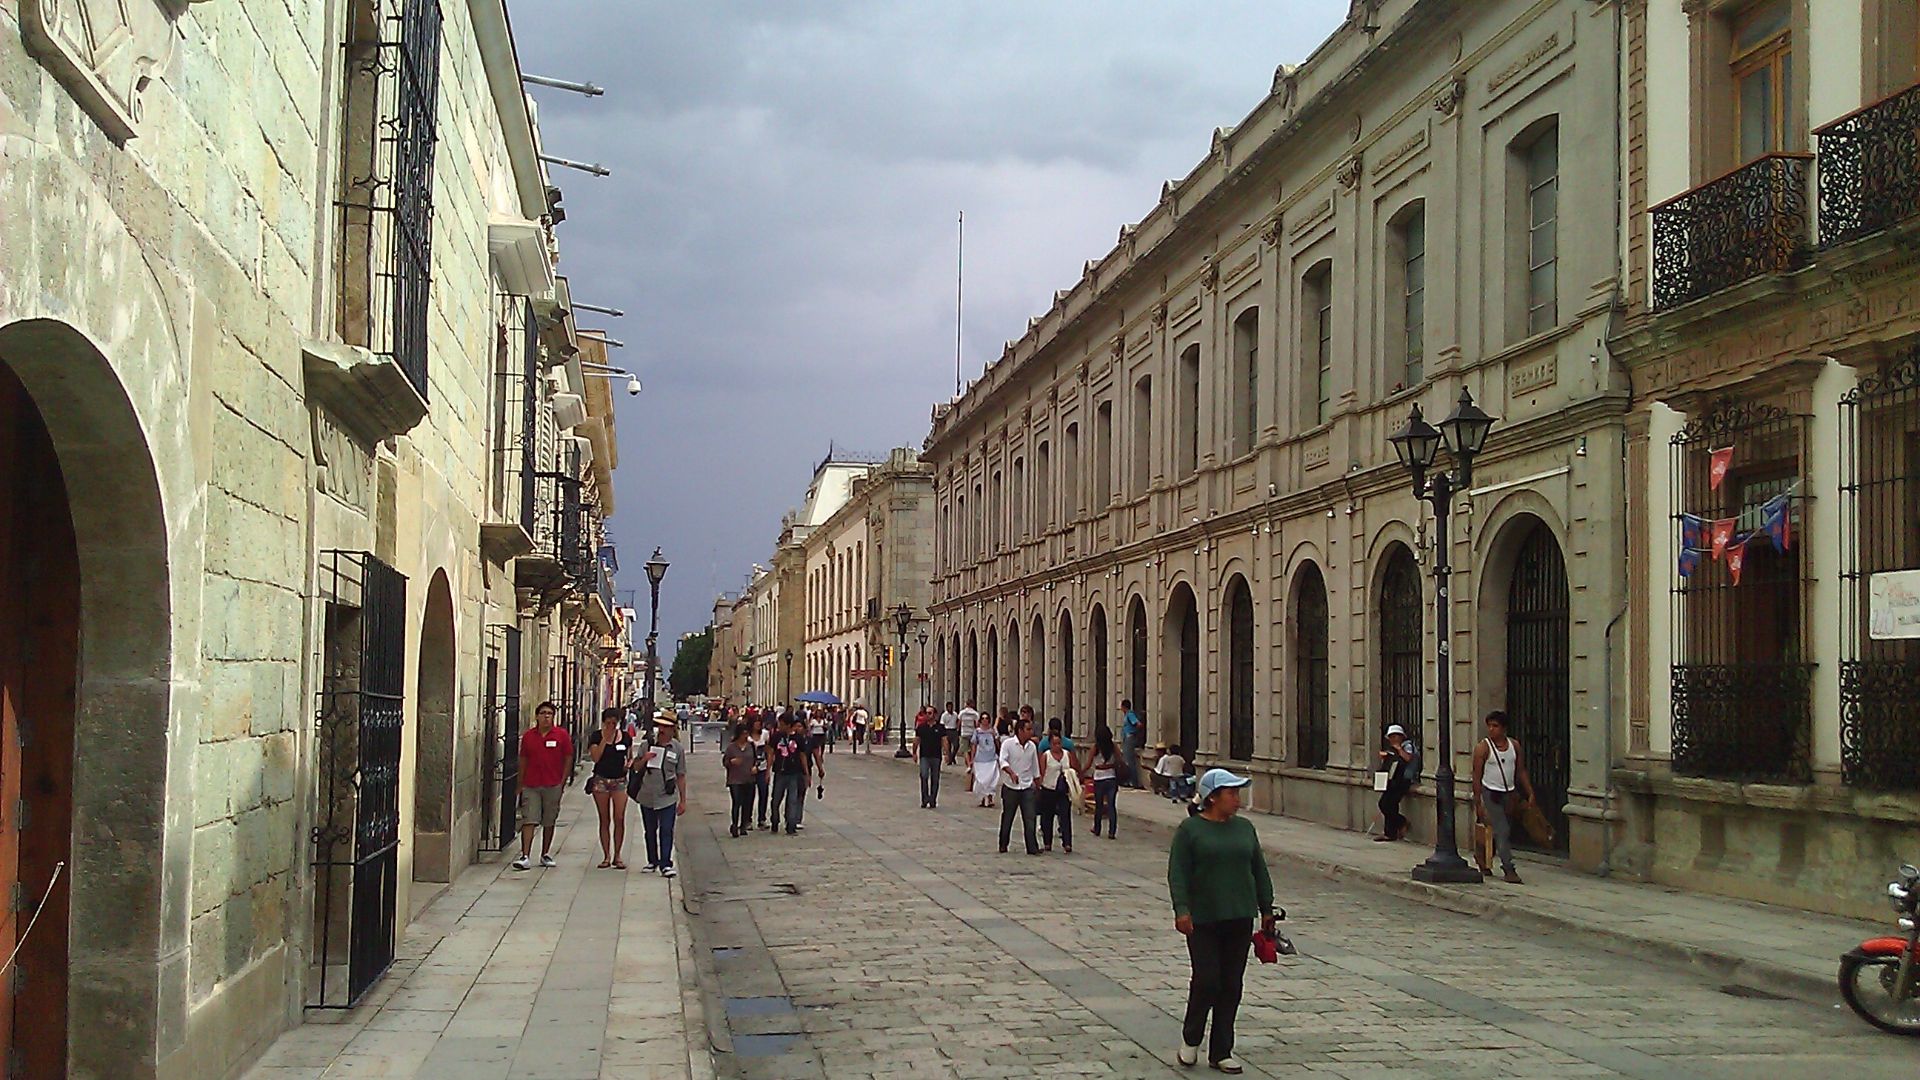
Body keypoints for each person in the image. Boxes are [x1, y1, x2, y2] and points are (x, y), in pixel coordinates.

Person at [1167, 768, 1276, 1075]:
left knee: (1231, 985)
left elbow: (1259, 868)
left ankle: (1221, 1050)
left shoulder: (1245, 829)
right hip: (1203, 918)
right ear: (1213, 797)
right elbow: (1178, 872)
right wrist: (1181, 909)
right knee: (1207, 979)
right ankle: (1191, 1039)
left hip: (1239, 915)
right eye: (1232, 793)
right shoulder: (1190, 830)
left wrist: (1266, 907)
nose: (1237, 800)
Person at [1471, 711, 1536, 884]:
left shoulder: (1514, 746)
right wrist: (1478, 801)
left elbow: (1520, 770)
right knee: (1502, 829)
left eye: (1496, 726)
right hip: (1490, 792)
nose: (1492, 730)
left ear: (1504, 728)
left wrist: (1529, 792)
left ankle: (1483, 856)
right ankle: (1509, 868)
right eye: (1489, 726)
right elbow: (1476, 776)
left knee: (1501, 829)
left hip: (1509, 792)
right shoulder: (1483, 748)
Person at [513, 702, 572, 871]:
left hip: (552, 784)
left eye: (550, 713)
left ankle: (545, 853)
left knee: (549, 820)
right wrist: (520, 784)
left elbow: (568, 757)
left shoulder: (561, 735)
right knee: (529, 819)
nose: (546, 716)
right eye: (543, 713)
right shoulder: (529, 737)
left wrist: (562, 781)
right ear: (537, 716)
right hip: (531, 784)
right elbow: (523, 759)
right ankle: (525, 855)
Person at [632, 710, 688, 876]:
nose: (662, 730)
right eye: (660, 726)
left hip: (667, 796)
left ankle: (665, 863)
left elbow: (681, 775)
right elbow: (635, 767)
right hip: (647, 794)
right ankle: (652, 861)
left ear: (672, 729)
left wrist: (683, 800)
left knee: (666, 829)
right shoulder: (646, 745)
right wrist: (645, 759)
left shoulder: (677, 749)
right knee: (650, 830)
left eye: (666, 727)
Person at [585, 707, 633, 869]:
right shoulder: (596, 737)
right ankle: (606, 855)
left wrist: (629, 764)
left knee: (619, 817)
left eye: (614, 722)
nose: (612, 725)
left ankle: (618, 855)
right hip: (601, 780)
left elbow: (629, 756)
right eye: (608, 722)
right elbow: (596, 757)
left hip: (619, 780)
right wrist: (605, 738)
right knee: (604, 818)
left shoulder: (625, 737)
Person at [769, 712, 821, 834]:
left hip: (794, 772)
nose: (779, 726)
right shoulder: (776, 736)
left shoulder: (798, 739)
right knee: (776, 799)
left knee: (792, 799)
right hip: (780, 771)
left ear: (788, 725)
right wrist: (768, 770)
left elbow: (803, 756)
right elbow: (771, 753)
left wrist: (806, 773)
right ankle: (775, 820)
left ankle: (790, 824)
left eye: (781, 724)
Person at [997, 717, 1041, 855]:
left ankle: (1031, 846)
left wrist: (1038, 785)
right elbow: (1002, 760)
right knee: (1008, 817)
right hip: (1011, 786)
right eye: (1028, 729)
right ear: (1020, 731)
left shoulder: (1032, 747)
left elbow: (1035, 768)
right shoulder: (1008, 744)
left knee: (1030, 817)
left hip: (1027, 786)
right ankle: (1003, 844)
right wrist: (1011, 773)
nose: (1031, 732)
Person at [1375, 723, 1421, 843]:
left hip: (1403, 780)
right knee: (1386, 804)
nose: (1393, 739)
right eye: (1391, 737)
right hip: (1392, 780)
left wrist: (1399, 748)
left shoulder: (1407, 746)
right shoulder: (1392, 749)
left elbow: (1408, 758)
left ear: (1401, 737)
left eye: (1396, 736)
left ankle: (1400, 823)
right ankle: (1390, 832)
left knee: (1387, 804)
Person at [1036, 730, 1075, 854]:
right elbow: (1041, 772)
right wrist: (1038, 787)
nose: (1057, 746)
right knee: (1047, 817)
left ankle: (1067, 842)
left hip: (1063, 790)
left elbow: (1073, 769)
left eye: (1059, 743)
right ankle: (1047, 842)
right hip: (1048, 788)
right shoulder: (1046, 756)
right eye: (1054, 743)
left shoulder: (1067, 755)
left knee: (1065, 816)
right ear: (1050, 744)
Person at [723, 723, 757, 838]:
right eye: (743, 734)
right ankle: (734, 825)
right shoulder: (731, 747)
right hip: (735, 779)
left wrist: (755, 767)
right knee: (737, 802)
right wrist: (731, 762)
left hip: (749, 778)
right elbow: (725, 762)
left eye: (747, 733)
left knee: (747, 803)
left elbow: (756, 759)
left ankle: (743, 825)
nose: (745, 736)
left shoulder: (751, 746)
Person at [1087, 726, 1121, 840]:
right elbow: (1120, 759)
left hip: (1099, 777)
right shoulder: (1113, 747)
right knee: (1111, 805)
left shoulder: (1095, 748)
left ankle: (1097, 828)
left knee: (1099, 805)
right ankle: (1112, 831)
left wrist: (1080, 773)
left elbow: (1088, 763)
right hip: (1111, 777)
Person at [915, 707, 945, 808]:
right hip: (924, 756)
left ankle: (933, 799)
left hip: (936, 756)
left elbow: (944, 740)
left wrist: (947, 753)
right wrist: (914, 752)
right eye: (926, 713)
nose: (927, 715)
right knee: (924, 776)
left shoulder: (940, 727)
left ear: (935, 715)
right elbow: (917, 740)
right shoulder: (921, 727)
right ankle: (924, 799)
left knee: (935, 778)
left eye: (930, 713)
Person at [970, 710, 999, 808]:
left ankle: (990, 797)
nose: (985, 720)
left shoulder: (992, 731)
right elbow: (974, 745)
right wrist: (972, 758)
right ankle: (983, 797)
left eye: (987, 718)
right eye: (983, 718)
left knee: (992, 779)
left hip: (991, 758)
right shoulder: (977, 732)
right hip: (980, 759)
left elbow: (997, 743)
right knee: (981, 779)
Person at [749, 715, 772, 829]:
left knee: (763, 793)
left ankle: (762, 819)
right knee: (749, 795)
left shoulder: (765, 734)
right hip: (749, 769)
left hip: (762, 768)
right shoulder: (747, 736)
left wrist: (768, 769)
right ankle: (747, 819)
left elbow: (769, 752)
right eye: (755, 722)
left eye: (759, 722)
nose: (757, 724)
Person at [1121, 699, 1145, 788]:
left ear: (1123, 707)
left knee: (1129, 760)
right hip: (1127, 738)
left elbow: (1138, 724)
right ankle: (1129, 780)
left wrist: (1133, 732)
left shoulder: (1130, 714)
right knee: (1127, 760)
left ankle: (1133, 781)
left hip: (1129, 738)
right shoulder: (1127, 715)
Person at [941, 701, 961, 765]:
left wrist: (958, 728)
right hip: (947, 730)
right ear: (947, 708)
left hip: (954, 730)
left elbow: (958, 721)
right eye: (949, 707)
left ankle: (952, 757)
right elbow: (942, 724)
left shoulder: (955, 714)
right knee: (948, 746)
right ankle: (950, 760)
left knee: (956, 745)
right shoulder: (944, 715)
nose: (950, 708)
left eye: (951, 707)